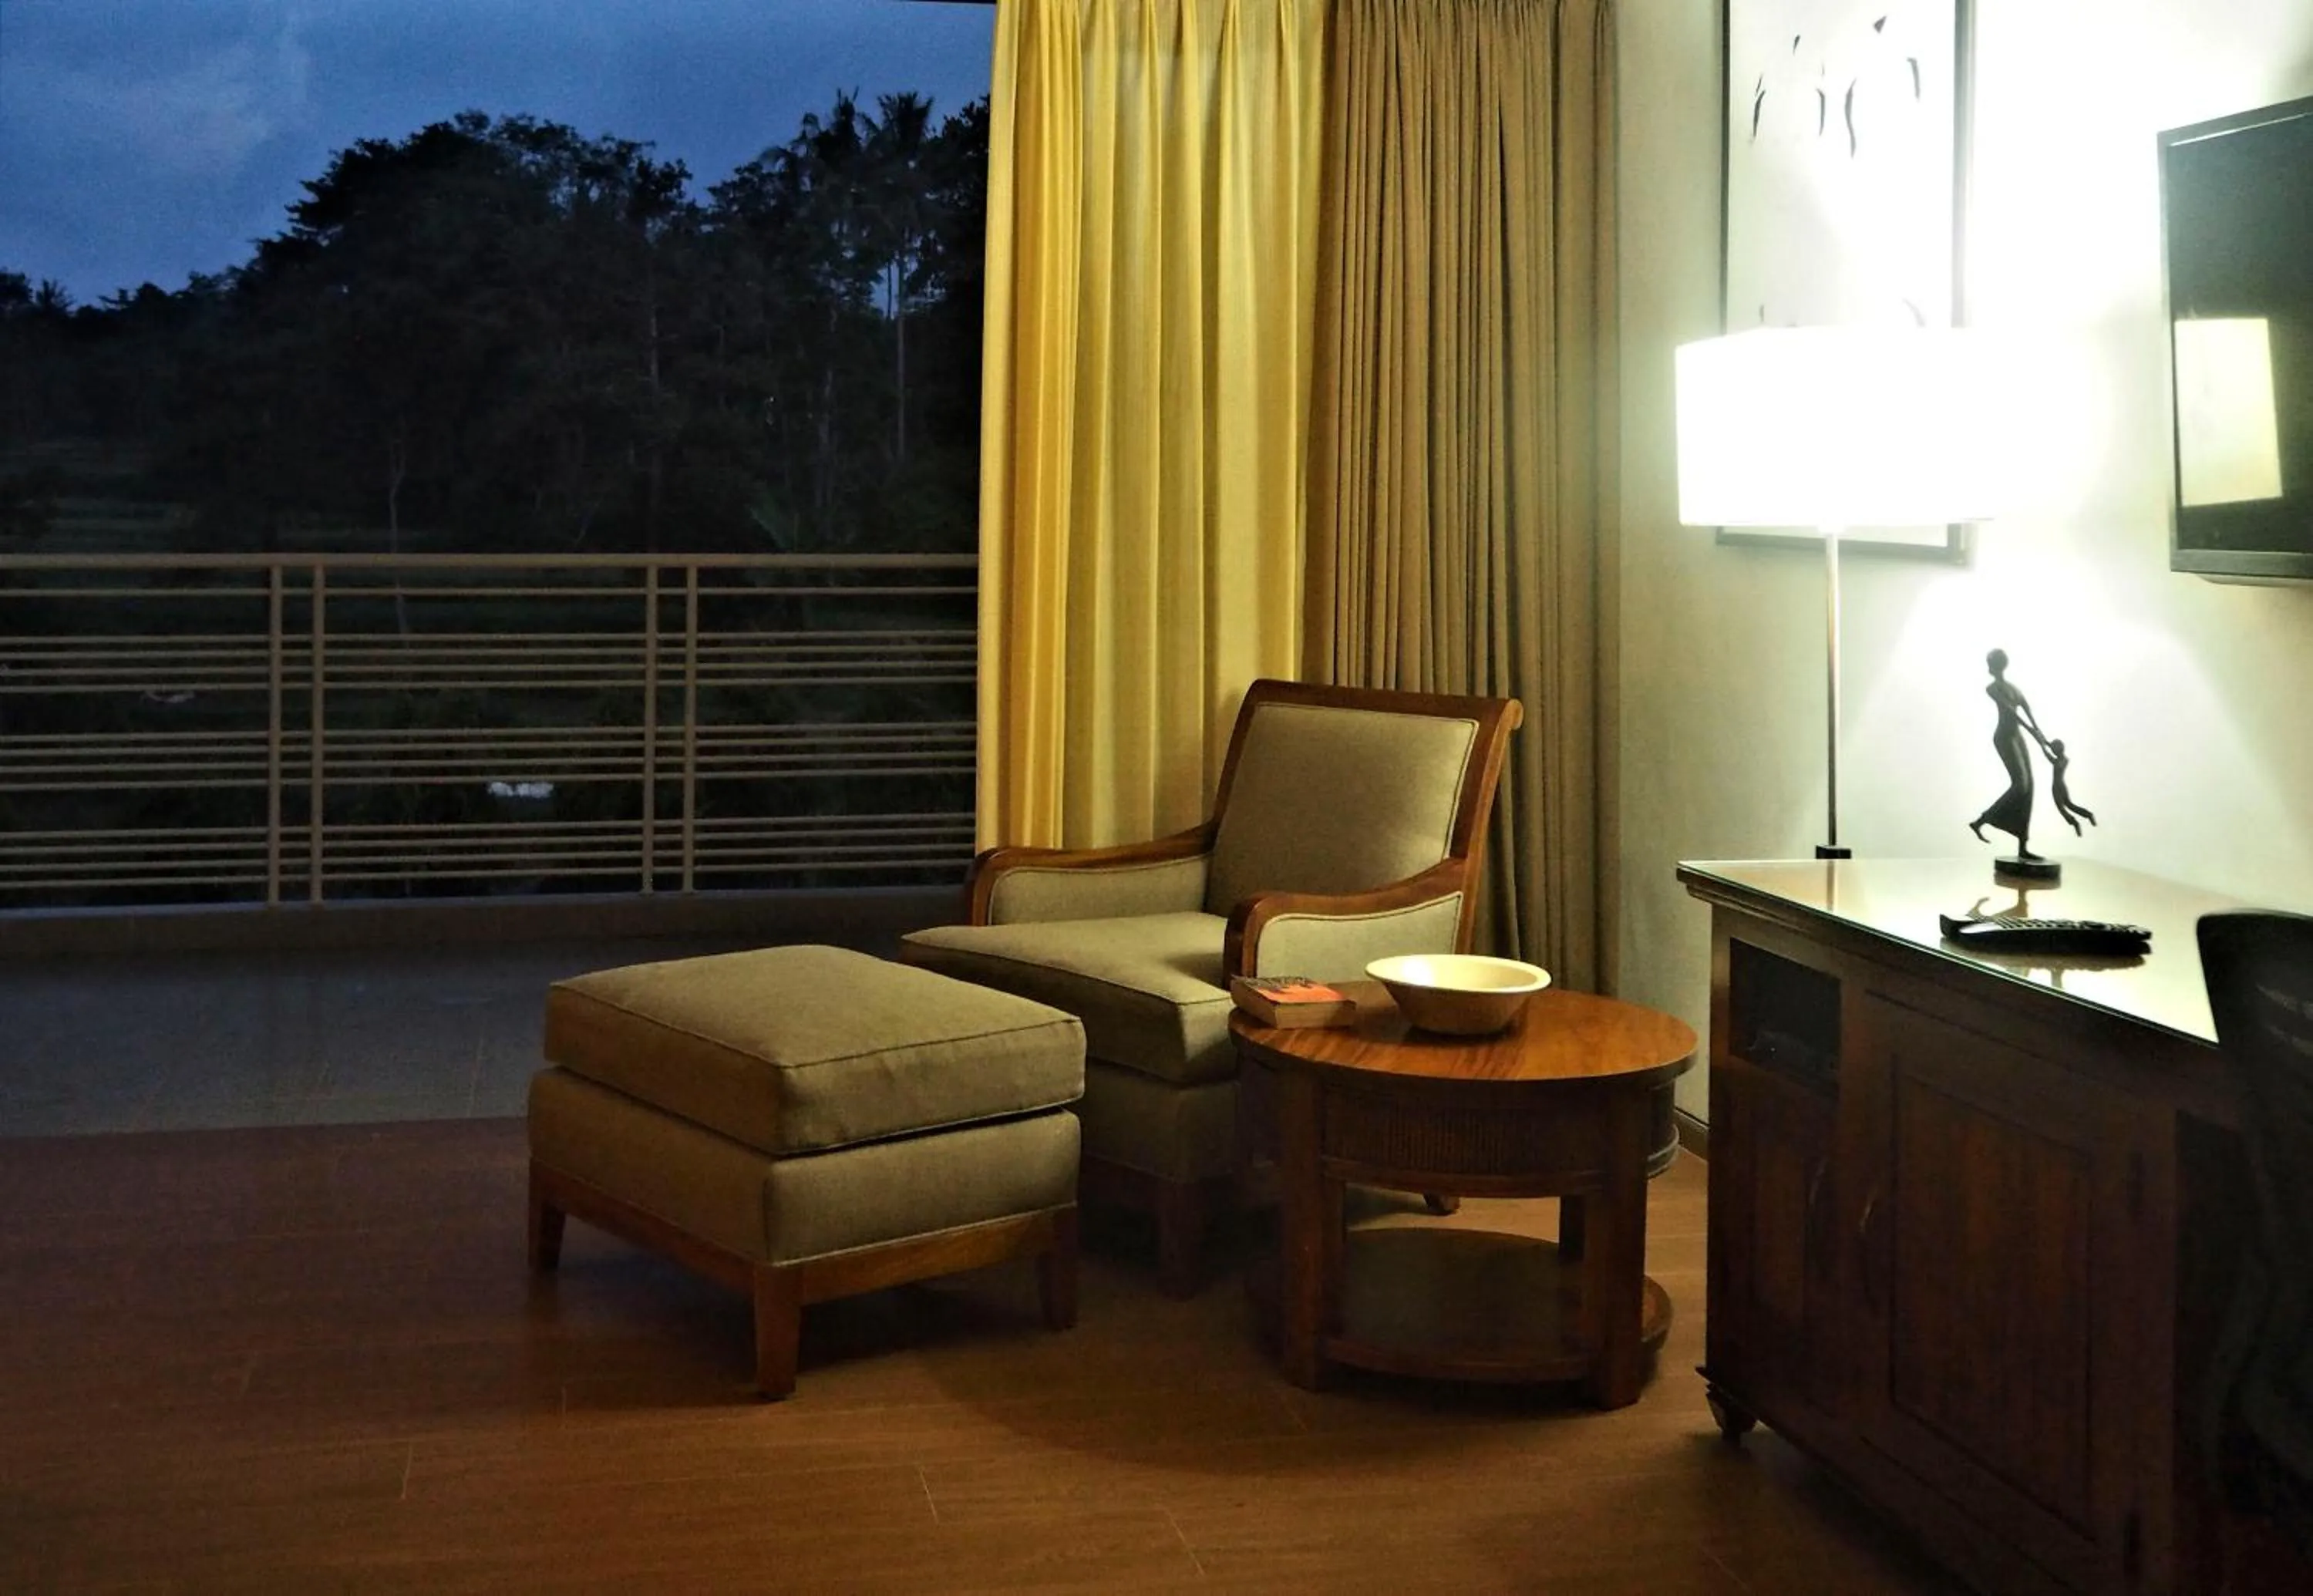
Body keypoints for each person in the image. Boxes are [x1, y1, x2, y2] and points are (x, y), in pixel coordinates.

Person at [1968, 648, 2051, 859]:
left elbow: (2027, 709)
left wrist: (2039, 733)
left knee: (2029, 787)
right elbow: (2010, 711)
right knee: (2020, 785)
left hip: (2017, 737)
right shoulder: (1992, 688)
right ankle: (1982, 820)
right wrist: (2033, 732)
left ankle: (2023, 847)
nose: (1997, 666)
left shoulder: (2014, 688)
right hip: (2004, 737)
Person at [2045, 738, 2098, 835]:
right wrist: (2044, 742)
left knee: (2062, 808)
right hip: (2062, 785)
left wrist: (2042, 746)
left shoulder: (2060, 762)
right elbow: (2049, 746)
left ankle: (2075, 822)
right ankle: (2088, 815)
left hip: (2057, 787)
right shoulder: (2064, 759)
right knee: (2070, 805)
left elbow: (2050, 757)